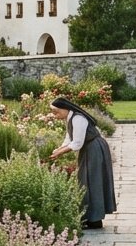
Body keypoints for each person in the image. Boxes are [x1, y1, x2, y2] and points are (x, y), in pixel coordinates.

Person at [48, 96, 116, 230]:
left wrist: (61, 153)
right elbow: (69, 138)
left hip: (94, 149)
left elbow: (77, 143)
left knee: (93, 181)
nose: (54, 115)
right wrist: (59, 149)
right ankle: (91, 218)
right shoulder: (69, 118)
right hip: (88, 149)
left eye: (56, 111)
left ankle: (95, 220)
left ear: (65, 108)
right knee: (85, 181)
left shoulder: (78, 119)